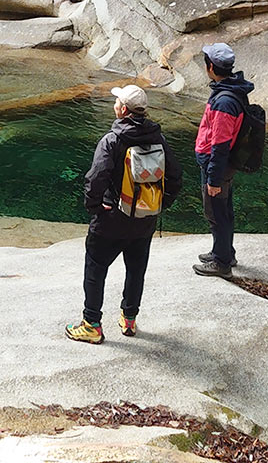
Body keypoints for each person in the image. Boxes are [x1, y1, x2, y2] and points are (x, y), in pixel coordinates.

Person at [66, 84, 183, 344]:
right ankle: (129, 320)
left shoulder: (113, 140)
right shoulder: (158, 139)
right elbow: (175, 178)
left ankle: (91, 324)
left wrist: (95, 207)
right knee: (136, 270)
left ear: (123, 110)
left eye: (116, 102)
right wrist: (158, 206)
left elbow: (95, 178)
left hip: (111, 219)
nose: (114, 105)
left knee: (95, 269)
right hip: (144, 220)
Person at [191, 42, 254, 280]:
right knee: (223, 210)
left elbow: (220, 144)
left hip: (216, 165)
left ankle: (222, 263)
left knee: (216, 212)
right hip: (220, 164)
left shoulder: (225, 101)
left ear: (210, 67)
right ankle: (224, 251)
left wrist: (213, 178)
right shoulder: (230, 90)